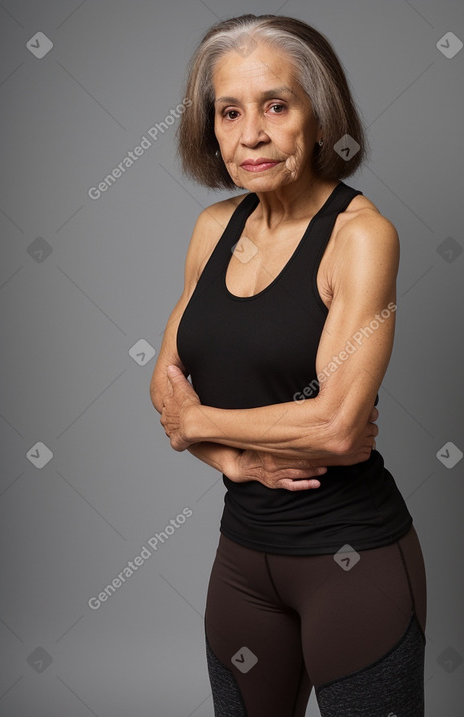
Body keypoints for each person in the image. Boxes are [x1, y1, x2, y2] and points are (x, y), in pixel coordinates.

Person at [150, 13, 427, 717]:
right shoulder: (213, 230)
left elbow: (335, 427)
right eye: (230, 111)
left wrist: (199, 424)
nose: (253, 135)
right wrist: (236, 462)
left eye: (277, 105)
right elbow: (164, 384)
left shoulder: (361, 238)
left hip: (353, 563)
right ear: (209, 127)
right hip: (241, 563)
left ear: (319, 114)